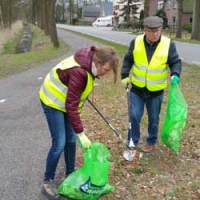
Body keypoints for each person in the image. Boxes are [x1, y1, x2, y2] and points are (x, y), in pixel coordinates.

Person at [39, 46, 119, 199]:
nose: (106, 73)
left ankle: (71, 174)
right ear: (98, 62)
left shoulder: (90, 67)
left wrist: (77, 133)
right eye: (106, 69)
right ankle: (47, 181)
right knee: (59, 143)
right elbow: (71, 106)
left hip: (65, 102)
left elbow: (73, 99)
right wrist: (81, 133)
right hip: (52, 101)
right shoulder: (80, 72)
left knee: (71, 139)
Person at [121, 16, 182, 153]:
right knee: (134, 115)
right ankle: (133, 140)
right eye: (151, 31)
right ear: (145, 30)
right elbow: (128, 59)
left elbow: (175, 62)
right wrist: (124, 75)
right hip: (137, 89)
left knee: (154, 117)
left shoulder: (168, 44)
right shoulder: (136, 42)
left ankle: (151, 140)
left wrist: (175, 74)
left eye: (158, 30)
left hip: (156, 91)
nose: (155, 34)